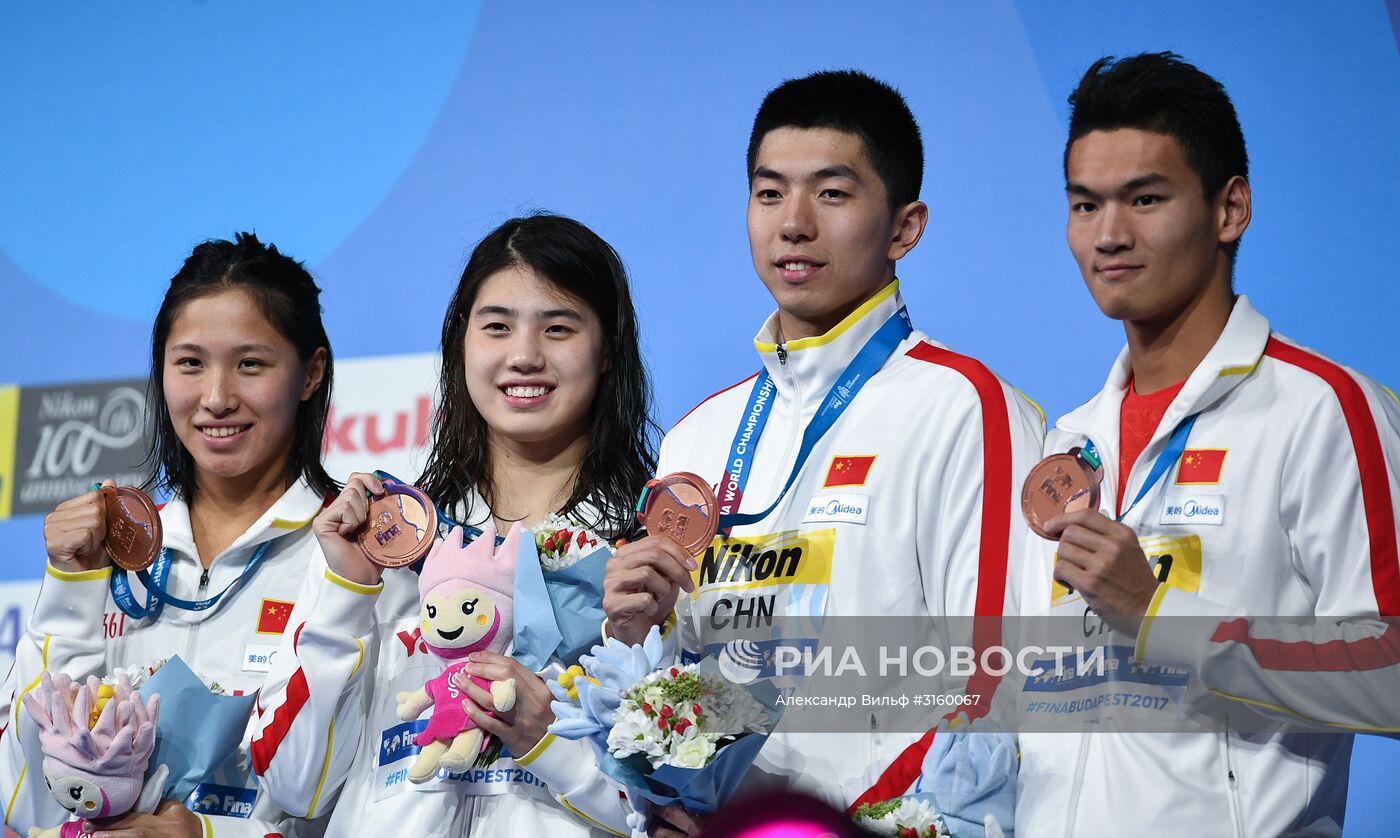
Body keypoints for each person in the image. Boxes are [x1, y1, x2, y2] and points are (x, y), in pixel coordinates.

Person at [601, 70, 1043, 834]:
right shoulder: (699, 436)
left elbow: (992, 684)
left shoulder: (965, 406)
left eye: (832, 194)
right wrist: (634, 635)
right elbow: (679, 689)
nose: (793, 223)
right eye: (769, 193)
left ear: (905, 227)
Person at [1013, 53, 1400, 837]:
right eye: (1085, 206)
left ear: (1230, 209)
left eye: (1145, 199)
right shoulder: (1068, 438)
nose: (1110, 235)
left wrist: (1161, 618)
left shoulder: (1324, 410)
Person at [251, 214, 655, 836]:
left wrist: (551, 745)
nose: (524, 355)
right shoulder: (387, 540)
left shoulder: (642, 555)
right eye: (496, 327)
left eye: (559, 327)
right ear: (460, 344)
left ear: (607, 352)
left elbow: (675, 804)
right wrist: (346, 593)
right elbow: (293, 784)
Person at [0, 233, 337, 837]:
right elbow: (26, 799)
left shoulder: (354, 559)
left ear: (310, 373)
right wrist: (70, 589)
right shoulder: (110, 553)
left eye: (250, 364)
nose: (215, 398)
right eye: (190, 363)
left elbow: (362, 802)